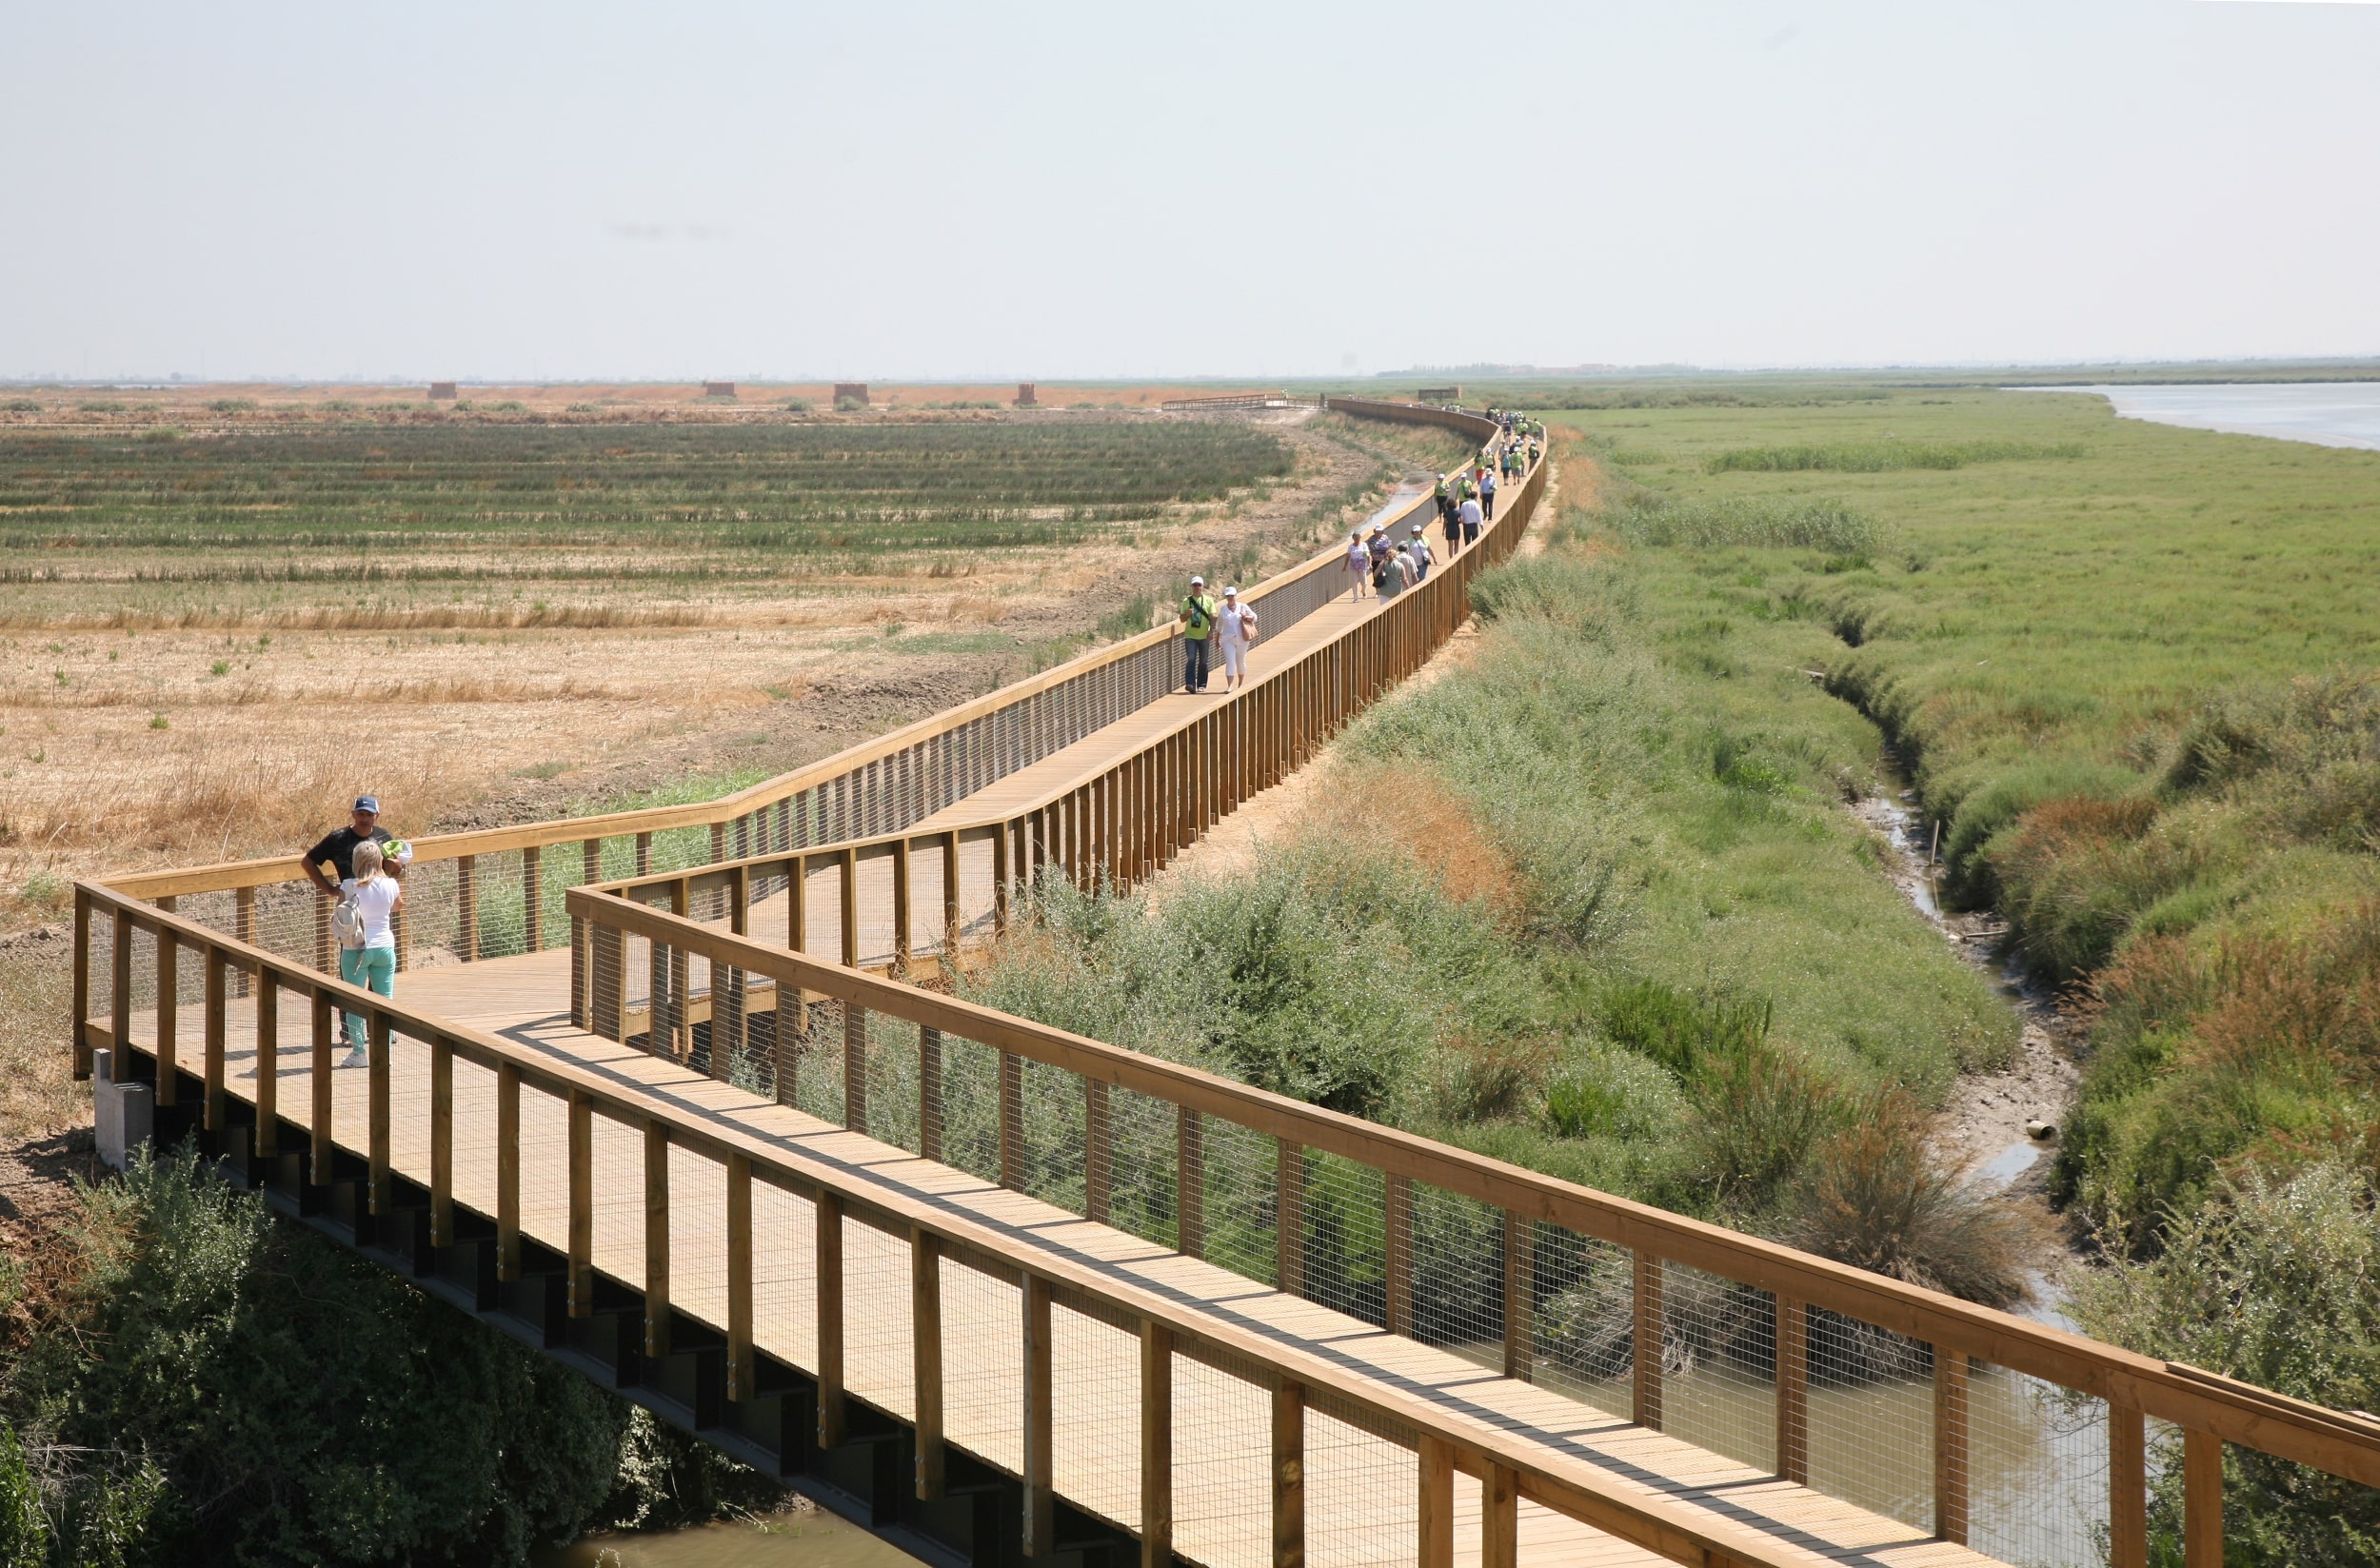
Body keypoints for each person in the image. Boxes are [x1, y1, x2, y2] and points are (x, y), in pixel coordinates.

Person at [336, 839, 402, 1067]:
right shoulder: (390, 885)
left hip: (356, 948)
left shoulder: (349, 885)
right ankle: (384, 1051)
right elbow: (397, 905)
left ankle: (359, 1053)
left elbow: (341, 914)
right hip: (384, 946)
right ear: (379, 861)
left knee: (355, 1001)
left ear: (356, 861)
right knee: (385, 998)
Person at [304, 796, 410, 901]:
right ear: (353, 814)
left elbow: (395, 870)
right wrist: (330, 890)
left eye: (369, 814)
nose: (364, 819)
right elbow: (307, 862)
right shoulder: (337, 838)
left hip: (378, 901)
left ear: (377, 816)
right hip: (351, 902)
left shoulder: (384, 836)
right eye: (361, 814)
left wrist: (398, 868)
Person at [1178, 575, 1220, 693]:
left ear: (1203, 587)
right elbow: (1182, 619)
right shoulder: (1186, 601)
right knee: (1191, 659)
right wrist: (1187, 614)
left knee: (1203, 661)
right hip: (1190, 635)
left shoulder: (1208, 600)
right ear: (1191, 587)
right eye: (1194, 585)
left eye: (1199, 585)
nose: (1197, 587)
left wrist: (1211, 631)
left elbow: (1213, 616)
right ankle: (1190, 683)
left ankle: (1202, 684)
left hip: (1204, 635)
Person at [1218, 586, 1259, 690]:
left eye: (1232, 595)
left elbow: (1254, 617)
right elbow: (1220, 625)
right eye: (1228, 596)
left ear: (1236, 596)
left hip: (1242, 638)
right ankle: (1230, 685)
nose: (1230, 598)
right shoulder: (1223, 609)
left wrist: (1245, 616)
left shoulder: (1242, 606)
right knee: (1230, 660)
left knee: (1240, 660)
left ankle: (1240, 683)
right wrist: (1218, 639)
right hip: (1228, 639)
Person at [1344, 529, 1371, 600]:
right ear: (1353, 538)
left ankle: (1363, 590)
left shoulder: (1363, 545)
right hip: (1353, 565)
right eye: (1356, 538)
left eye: (1358, 537)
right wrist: (1344, 566)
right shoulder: (1351, 547)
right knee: (1354, 581)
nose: (1357, 539)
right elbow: (1348, 556)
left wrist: (1369, 563)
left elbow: (1367, 554)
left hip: (1362, 564)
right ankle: (1355, 596)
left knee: (1364, 582)